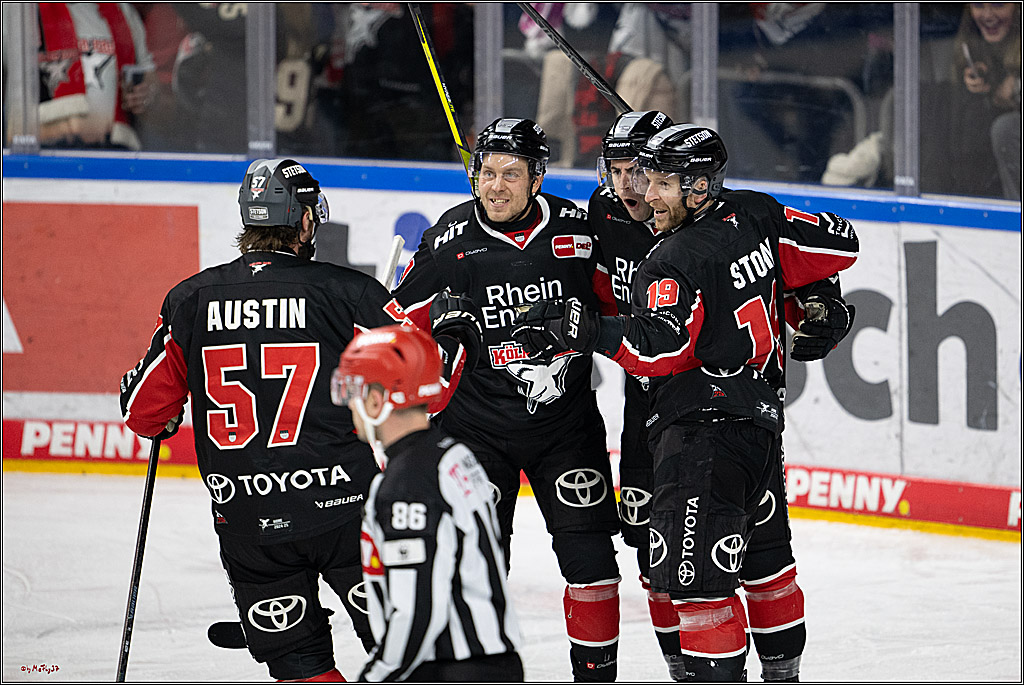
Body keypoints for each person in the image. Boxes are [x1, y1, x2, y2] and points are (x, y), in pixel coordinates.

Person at [512, 123, 859, 681]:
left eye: (654, 179)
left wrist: (583, 330)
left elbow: (661, 346)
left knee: (697, 586)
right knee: (735, 567)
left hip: (697, 430)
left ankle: (697, 673)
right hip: (755, 420)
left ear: (698, 187)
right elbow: (837, 243)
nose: (640, 191)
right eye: (626, 174)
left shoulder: (672, 256)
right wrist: (817, 293)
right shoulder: (754, 211)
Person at [119, 158, 400, 681]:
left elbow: (144, 414)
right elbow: (422, 384)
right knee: (410, 646)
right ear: (306, 220)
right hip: (347, 511)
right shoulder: (349, 293)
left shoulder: (191, 299)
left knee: (301, 667)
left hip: (248, 521)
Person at [385, 117, 624, 681]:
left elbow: (621, 314)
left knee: (592, 566)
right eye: (487, 172)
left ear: (537, 177)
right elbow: (394, 328)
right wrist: (438, 331)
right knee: (477, 570)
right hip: (476, 432)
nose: (495, 186)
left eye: (511, 174)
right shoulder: (448, 240)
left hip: (566, 430)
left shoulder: (577, 231)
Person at [331, 324, 524, 682]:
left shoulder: (407, 482)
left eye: (355, 392)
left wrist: (375, 676)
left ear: (376, 400)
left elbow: (417, 608)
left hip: (451, 670)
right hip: (486, 665)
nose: (350, 405)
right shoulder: (452, 453)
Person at [588, 109, 684, 675]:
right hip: (641, 400)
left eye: (638, 172)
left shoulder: (699, 217)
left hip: (699, 403)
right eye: (616, 171)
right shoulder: (604, 212)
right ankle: (680, 666)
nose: (627, 187)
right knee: (648, 544)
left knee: (703, 547)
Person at [2, 2, 156, 150]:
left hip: (112, 151)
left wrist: (145, 94)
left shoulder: (123, 11)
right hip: (39, 152)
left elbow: (151, 80)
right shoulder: (17, 9)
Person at [950, 1, 1021, 200]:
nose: (988, 15)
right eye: (978, 5)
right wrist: (972, 91)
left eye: (998, 4)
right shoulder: (971, 46)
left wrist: (1018, 88)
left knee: (1005, 128)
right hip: (987, 180)